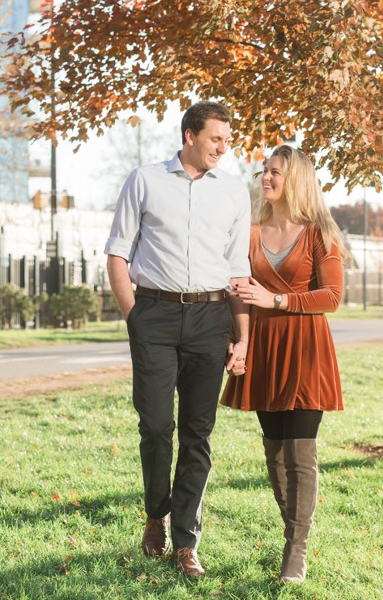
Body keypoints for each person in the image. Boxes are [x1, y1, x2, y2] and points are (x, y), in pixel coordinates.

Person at [104, 101, 252, 578]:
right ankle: (156, 514)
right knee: (154, 425)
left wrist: (242, 334)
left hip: (211, 318)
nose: (224, 148)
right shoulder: (144, 180)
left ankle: (186, 540)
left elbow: (237, 269)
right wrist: (136, 320)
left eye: (227, 140)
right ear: (190, 135)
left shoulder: (233, 192)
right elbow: (117, 253)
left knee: (197, 433)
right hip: (155, 315)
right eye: (216, 139)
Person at [220, 145, 345, 584]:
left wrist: (276, 299)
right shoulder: (249, 233)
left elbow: (331, 297)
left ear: (296, 179)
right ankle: (292, 531)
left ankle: (296, 550)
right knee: (274, 451)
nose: (265, 178)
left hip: (307, 350)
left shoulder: (320, 233)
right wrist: (239, 341)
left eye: (274, 172)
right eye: (264, 171)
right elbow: (234, 290)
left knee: (301, 452)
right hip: (264, 349)